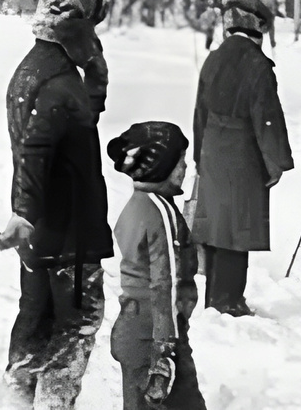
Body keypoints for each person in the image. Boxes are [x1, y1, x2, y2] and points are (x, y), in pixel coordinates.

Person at [0, 0, 114, 408]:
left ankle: (17, 392)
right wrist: (23, 212)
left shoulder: (36, 68)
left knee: (36, 314)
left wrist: (96, 71)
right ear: (74, 29)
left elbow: (84, 115)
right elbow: (35, 148)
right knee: (77, 322)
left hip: (42, 232)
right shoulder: (60, 84)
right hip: (69, 232)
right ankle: (52, 402)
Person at [189, 0, 295, 317]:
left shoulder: (214, 57)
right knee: (238, 231)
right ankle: (229, 301)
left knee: (218, 230)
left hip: (212, 149)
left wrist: (199, 154)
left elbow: (199, 112)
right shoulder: (257, 65)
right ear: (259, 28)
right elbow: (267, 118)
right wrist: (275, 162)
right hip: (243, 153)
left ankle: (214, 299)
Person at [106, 122, 206, 410]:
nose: (185, 168)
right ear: (158, 166)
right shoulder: (160, 212)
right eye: (180, 161)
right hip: (155, 331)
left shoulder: (135, 205)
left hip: (133, 327)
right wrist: (165, 347)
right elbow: (167, 282)